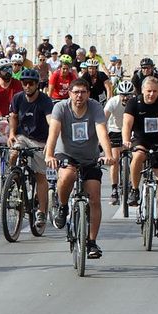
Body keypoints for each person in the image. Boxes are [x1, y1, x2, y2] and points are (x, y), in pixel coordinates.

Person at [46, 79, 109, 259]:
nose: (79, 96)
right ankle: (63, 206)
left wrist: (108, 153)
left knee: (95, 196)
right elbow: (54, 132)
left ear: (88, 94)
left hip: (90, 157)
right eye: (76, 92)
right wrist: (49, 154)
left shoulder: (95, 107)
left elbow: (101, 131)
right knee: (67, 175)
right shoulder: (61, 108)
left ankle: (91, 242)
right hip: (67, 154)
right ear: (70, 93)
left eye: (83, 92)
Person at [122, 75, 158, 239]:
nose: (151, 94)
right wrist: (126, 140)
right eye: (149, 91)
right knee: (138, 155)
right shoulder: (134, 103)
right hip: (140, 140)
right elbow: (127, 124)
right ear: (142, 91)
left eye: (155, 91)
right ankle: (134, 189)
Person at [9, 69, 55, 222]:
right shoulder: (18, 98)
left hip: (41, 141)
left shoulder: (45, 100)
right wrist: (11, 134)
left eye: (31, 83)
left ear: (37, 85)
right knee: (14, 152)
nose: (27, 86)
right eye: (24, 83)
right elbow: (14, 117)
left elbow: (51, 122)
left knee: (40, 176)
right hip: (23, 137)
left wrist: (50, 143)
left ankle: (41, 211)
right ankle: (12, 180)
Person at [104, 79, 134, 204]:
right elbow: (102, 119)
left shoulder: (136, 102)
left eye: (128, 95)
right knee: (114, 159)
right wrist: (102, 137)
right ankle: (114, 189)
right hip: (115, 130)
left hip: (132, 130)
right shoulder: (113, 102)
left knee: (137, 158)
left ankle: (133, 187)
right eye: (123, 95)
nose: (125, 98)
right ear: (118, 94)